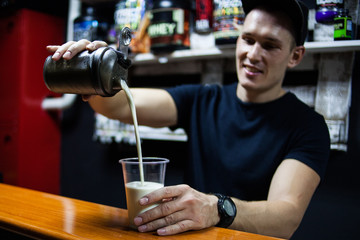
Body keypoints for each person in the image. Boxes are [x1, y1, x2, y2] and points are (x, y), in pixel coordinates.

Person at [47, 0, 330, 238]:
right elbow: (119, 107)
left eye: (270, 46)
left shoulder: (308, 126)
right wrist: (93, 76)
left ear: (295, 56)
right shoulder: (203, 100)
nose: (253, 54)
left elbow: (286, 217)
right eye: (248, 39)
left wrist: (216, 207)